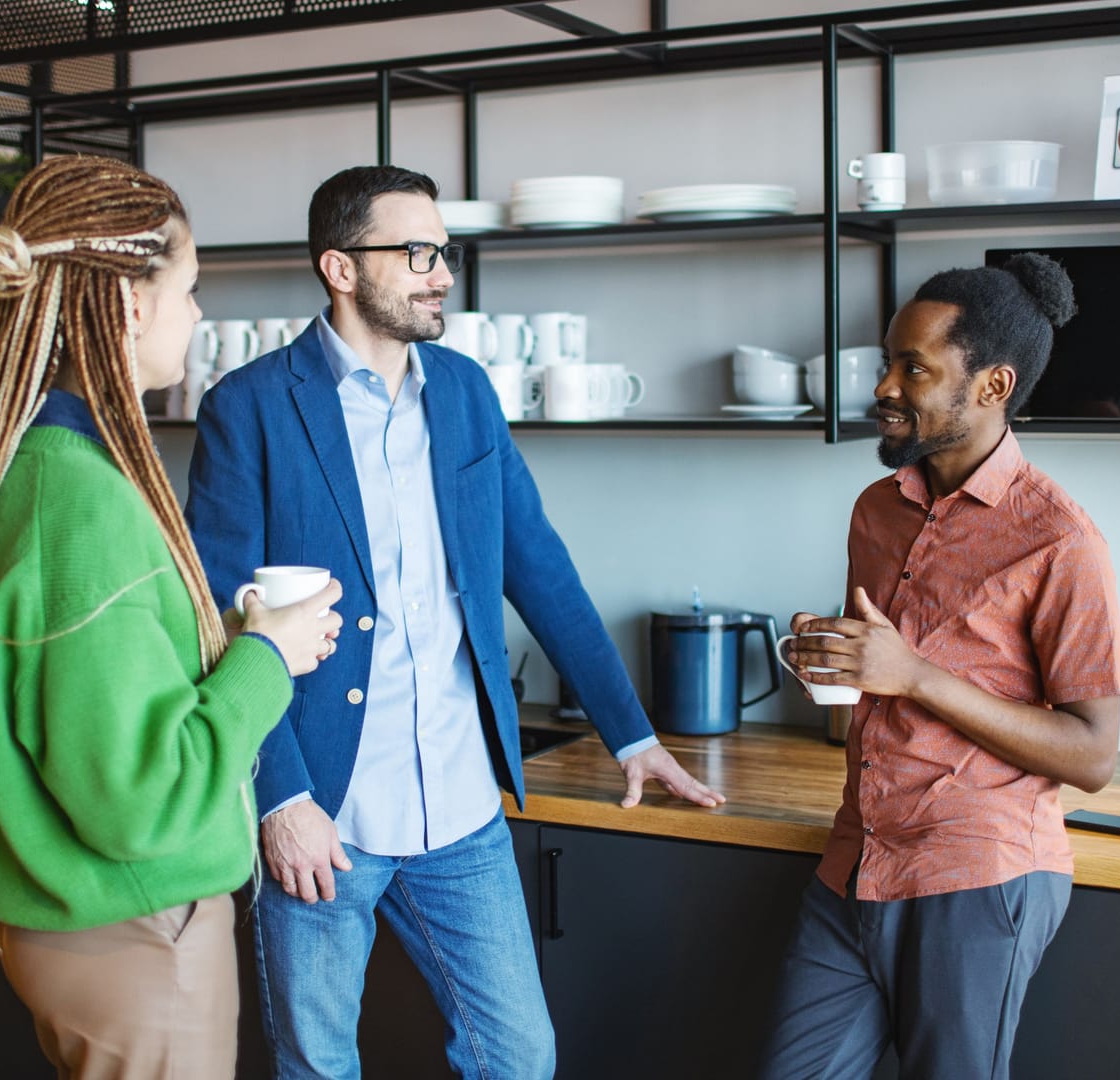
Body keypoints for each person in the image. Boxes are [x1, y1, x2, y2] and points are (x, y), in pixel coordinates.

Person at [186, 164, 723, 1080]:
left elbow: (539, 568)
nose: (441, 274)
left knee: (517, 1057)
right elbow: (218, 618)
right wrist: (279, 797)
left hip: (462, 811)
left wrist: (630, 736)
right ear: (341, 268)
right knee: (316, 1067)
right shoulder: (250, 408)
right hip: (325, 810)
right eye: (418, 252)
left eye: (445, 253)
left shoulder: (467, 392)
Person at [0, 154, 345, 1079]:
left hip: (97, 925)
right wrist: (268, 657)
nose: (198, 314)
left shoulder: (50, 466)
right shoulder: (84, 501)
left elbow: (107, 708)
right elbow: (142, 796)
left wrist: (243, 646)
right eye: (190, 288)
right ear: (128, 303)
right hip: (138, 934)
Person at [759, 254, 1120, 1080]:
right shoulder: (876, 507)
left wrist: (914, 673)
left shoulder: (1060, 540)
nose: (885, 384)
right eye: (889, 358)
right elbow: (863, 699)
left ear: (992, 387)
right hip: (854, 858)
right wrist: (837, 660)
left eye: (913, 367)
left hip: (977, 876)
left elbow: (1094, 755)